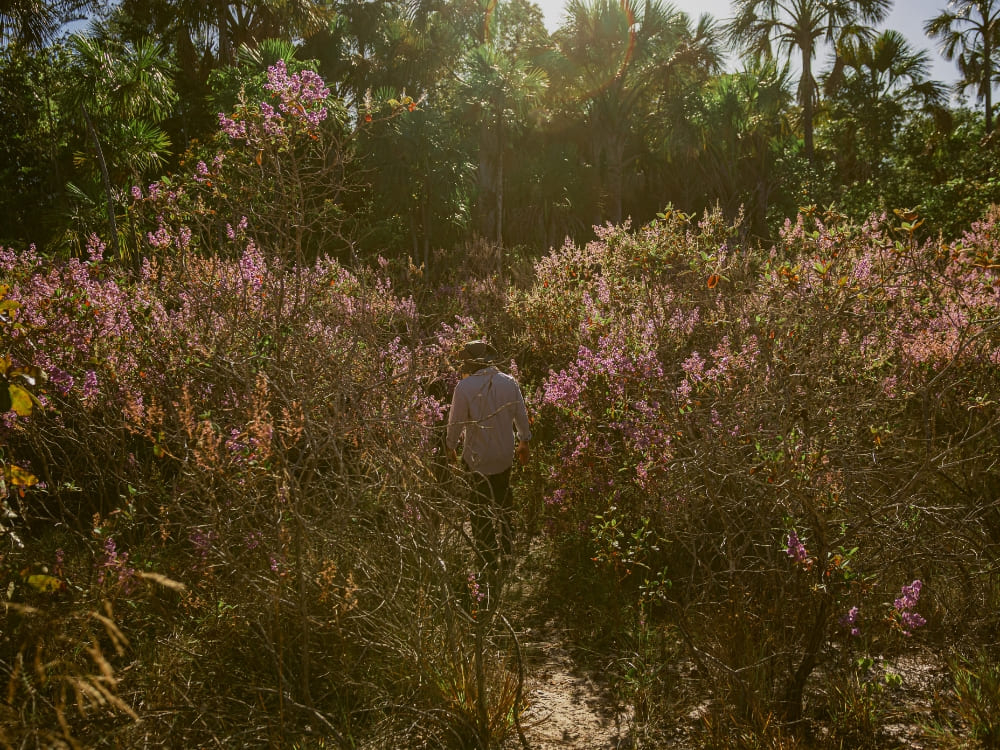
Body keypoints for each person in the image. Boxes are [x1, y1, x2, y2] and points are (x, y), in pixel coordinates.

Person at [446, 340, 531, 574]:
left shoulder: (464, 388)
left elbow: (455, 423)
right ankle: (508, 549)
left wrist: (450, 446)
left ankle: (488, 557)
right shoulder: (509, 382)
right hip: (504, 456)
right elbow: (521, 416)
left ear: (472, 362)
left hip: (476, 459)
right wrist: (524, 441)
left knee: (479, 509)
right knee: (504, 502)